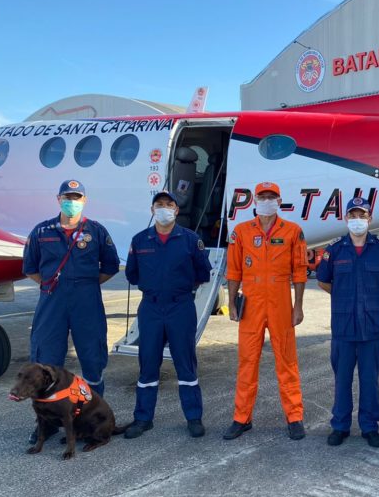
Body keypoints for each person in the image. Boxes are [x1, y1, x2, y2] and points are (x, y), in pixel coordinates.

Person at [22, 179, 120, 444]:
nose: (71, 202)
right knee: (46, 363)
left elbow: (110, 267)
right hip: (52, 301)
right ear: (58, 199)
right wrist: (54, 285)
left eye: (76, 197)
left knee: (92, 360)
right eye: (67, 197)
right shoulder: (41, 231)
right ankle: (46, 424)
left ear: (84, 201)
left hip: (86, 302)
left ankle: (92, 418)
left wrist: (85, 284)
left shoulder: (96, 231)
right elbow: (30, 268)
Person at [123, 191, 212, 439]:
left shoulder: (190, 239)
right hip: (151, 308)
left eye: (169, 204)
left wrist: (178, 288)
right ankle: (143, 418)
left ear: (176, 210)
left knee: (185, 362)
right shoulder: (140, 240)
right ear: (152, 210)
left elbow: (203, 273)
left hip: (180, 307)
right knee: (148, 363)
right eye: (159, 204)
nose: (164, 208)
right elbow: (132, 275)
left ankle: (194, 417)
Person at [224, 182, 308, 440]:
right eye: (263, 197)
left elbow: (299, 271)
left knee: (287, 360)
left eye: (272, 197)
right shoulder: (241, 232)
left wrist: (298, 306)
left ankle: (294, 417)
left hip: (280, 301)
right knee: (247, 361)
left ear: (279, 201)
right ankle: (242, 418)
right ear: (255, 200)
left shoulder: (293, 231)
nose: (267, 200)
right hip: (252, 302)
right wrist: (232, 303)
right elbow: (234, 271)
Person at [316, 197, 379, 448]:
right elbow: (323, 281)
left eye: (361, 216)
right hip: (343, 328)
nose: (357, 220)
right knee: (342, 380)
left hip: (372, 327)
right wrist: (344, 297)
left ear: (369, 219)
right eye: (352, 216)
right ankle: (340, 426)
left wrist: (373, 298)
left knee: (370, 380)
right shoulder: (334, 249)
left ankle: (370, 426)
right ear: (346, 219)